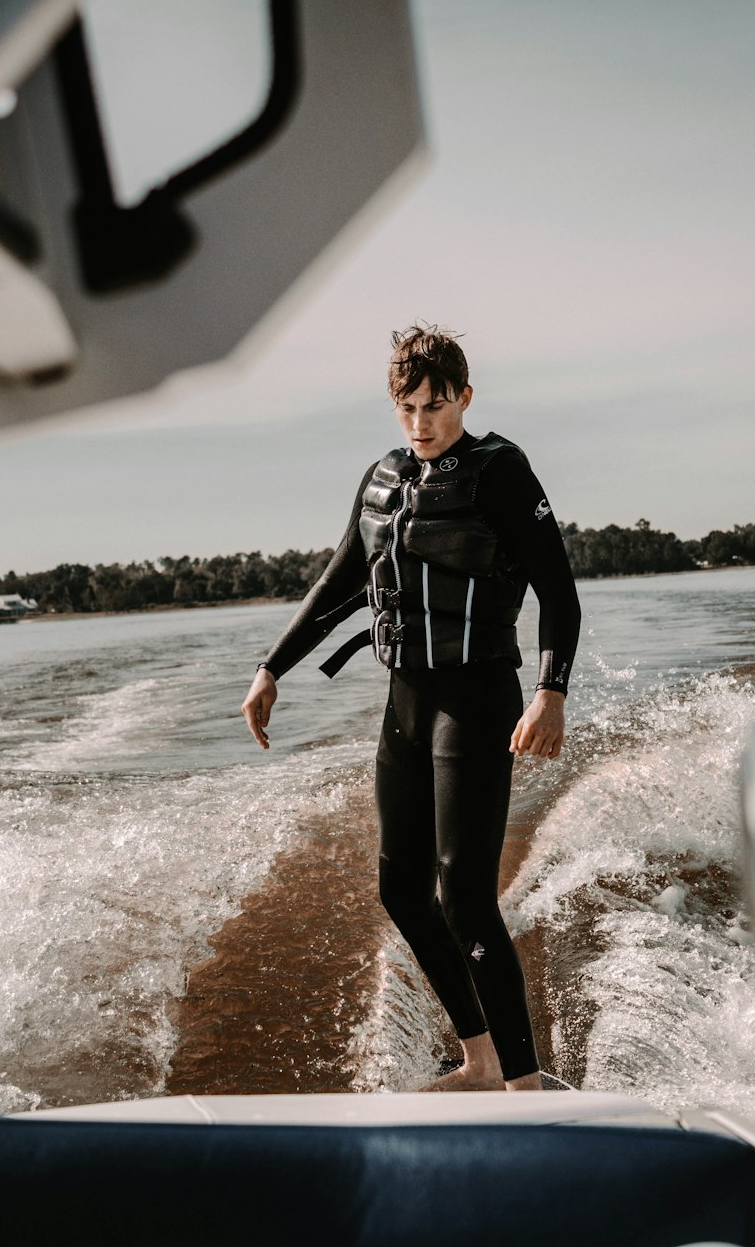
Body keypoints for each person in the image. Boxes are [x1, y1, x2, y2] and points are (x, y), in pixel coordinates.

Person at [240, 325, 581, 1091]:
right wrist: (271, 669)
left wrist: (552, 692)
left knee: (464, 894)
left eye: (435, 406)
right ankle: (482, 1060)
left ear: (464, 397)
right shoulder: (383, 479)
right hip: (406, 700)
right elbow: (337, 584)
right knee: (402, 890)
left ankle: (526, 1086)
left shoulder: (502, 472)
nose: (421, 423)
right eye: (407, 408)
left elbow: (558, 591)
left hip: (479, 693)